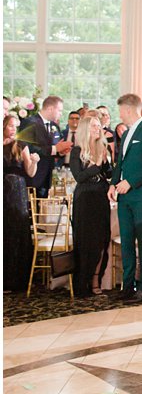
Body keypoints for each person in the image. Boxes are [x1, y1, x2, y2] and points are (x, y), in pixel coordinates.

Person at [111, 94, 142, 304]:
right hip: (124, 197)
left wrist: (130, 182)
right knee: (126, 244)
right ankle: (128, 285)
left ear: (130, 110)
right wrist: (113, 184)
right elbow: (120, 162)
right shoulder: (125, 134)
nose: (120, 114)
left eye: (121, 110)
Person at [69, 113, 113, 295]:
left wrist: (107, 163)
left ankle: (96, 280)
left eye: (99, 125)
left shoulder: (103, 148)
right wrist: (96, 164)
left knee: (101, 241)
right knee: (87, 243)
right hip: (85, 200)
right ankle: (82, 283)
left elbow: (109, 174)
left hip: (101, 198)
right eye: (94, 126)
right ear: (86, 129)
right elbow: (79, 177)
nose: (98, 129)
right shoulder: (76, 151)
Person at [4, 113, 39, 291]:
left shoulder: (21, 145)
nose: (14, 130)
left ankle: (16, 280)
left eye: (16, 127)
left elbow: (30, 172)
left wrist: (34, 162)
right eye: (11, 126)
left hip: (17, 191)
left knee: (16, 230)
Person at [19, 95, 73, 195]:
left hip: (47, 176)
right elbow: (26, 147)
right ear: (50, 108)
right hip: (33, 175)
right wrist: (54, 149)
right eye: (59, 110)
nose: (61, 114)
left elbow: (54, 148)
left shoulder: (54, 126)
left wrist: (60, 152)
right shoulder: (30, 122)